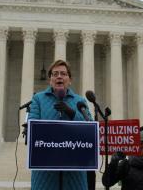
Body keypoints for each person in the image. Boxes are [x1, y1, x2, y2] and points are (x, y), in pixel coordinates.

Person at [28, 59, 93, 190]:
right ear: (50, 79)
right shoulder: (38, 99)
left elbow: (90, 128)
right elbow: (32, 125)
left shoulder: (80, 101)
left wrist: (71, 112)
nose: (59, 76)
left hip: (74, 175)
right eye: (55, 73)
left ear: (70, 79)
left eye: (63, 74)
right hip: (45, 175)